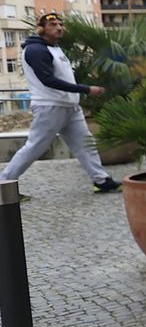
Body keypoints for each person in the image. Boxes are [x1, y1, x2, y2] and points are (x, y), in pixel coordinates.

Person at [1, 12, 120, 195]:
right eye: (53, 25)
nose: (59, 28)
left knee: (85, 143)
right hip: (50, 106)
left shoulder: (54, 48)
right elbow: (48, 80)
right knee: (35, 147)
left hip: (69, 106)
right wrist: (86, 89)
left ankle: (101, 180)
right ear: (41, 29)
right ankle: (3, 184)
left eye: (60, 24)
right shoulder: (36, 50)